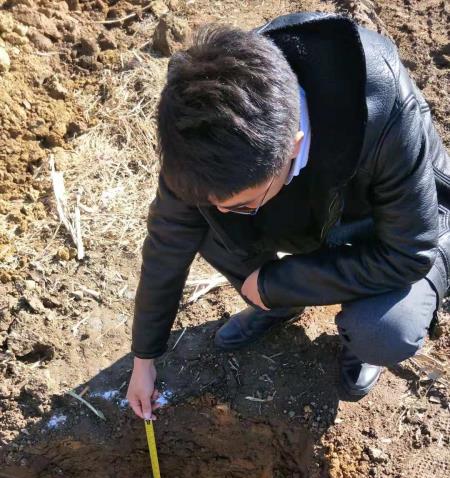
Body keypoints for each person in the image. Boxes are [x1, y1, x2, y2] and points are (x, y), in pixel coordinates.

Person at [127, 11, 450, 419]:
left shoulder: (383, 106)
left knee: (384, 329)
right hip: (304, 201)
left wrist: (278, 283)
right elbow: (168, 239)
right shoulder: (198, 135)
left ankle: (349, 338)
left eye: (241, 204)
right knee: (203, 225)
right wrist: (144, 357)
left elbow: (408, 253)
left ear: (293, 146)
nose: (225, 213)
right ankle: (276, 306)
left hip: (387, 221)